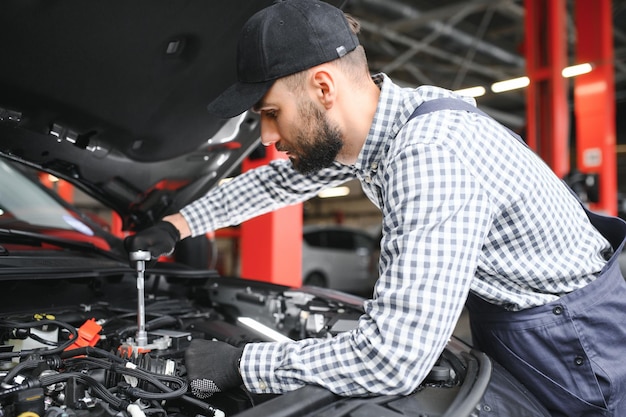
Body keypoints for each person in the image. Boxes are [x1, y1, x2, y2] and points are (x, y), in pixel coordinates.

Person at [124, 0, 626, 415]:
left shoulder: (431, 153)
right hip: (531, 331)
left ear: (323, 87)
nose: (270, 138)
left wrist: (240, 364)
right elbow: (279, 184)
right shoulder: (387, 128)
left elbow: (394, 357)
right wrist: (178, 223)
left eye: (272, 115)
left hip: (578, 353)